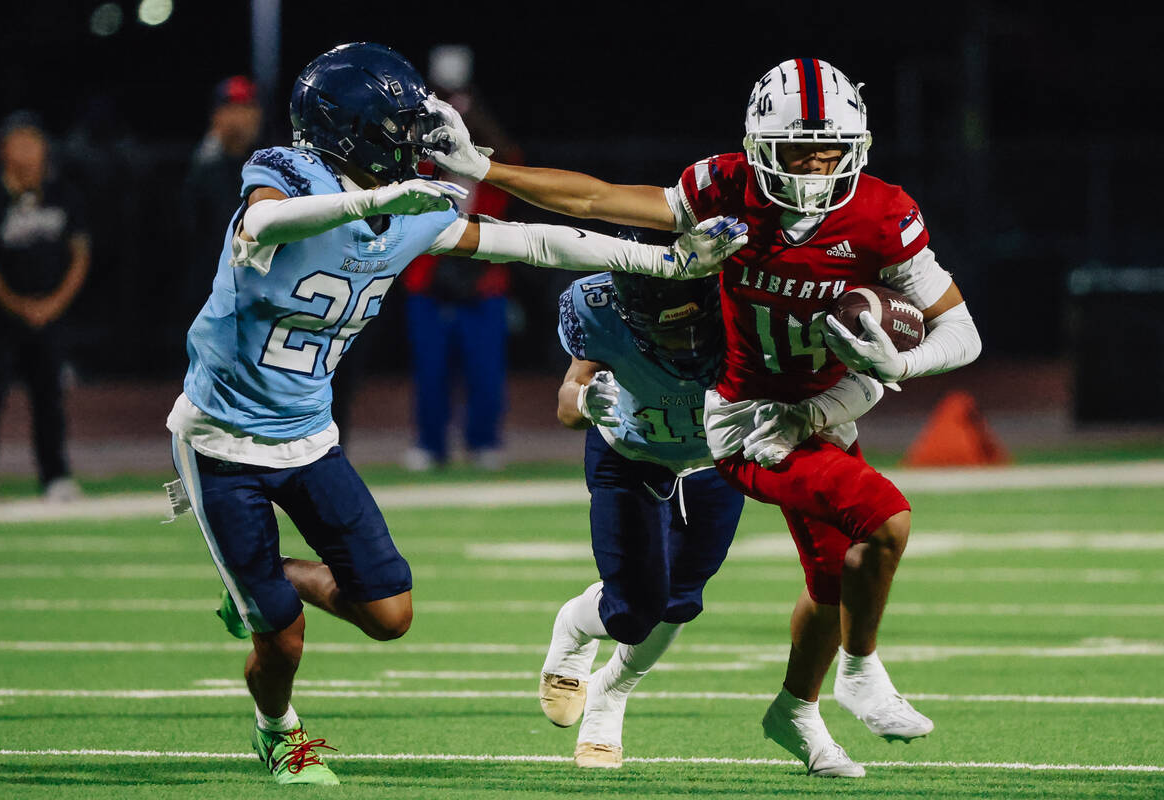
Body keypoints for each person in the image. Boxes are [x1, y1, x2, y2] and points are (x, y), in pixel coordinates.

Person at [164, 41, 747, 787]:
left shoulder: (410, 207)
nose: (413, 140)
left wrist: (668, 261)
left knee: (390, 614)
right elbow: (260, 229)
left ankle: (258, 578)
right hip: (220, 438)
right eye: (398, 125)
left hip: (308, 435)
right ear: (352, 128)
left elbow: (535, 240)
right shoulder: (292, 172)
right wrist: (374, 202)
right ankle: (278, 731)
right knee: (281, 637)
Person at [424, 56, 982, 777]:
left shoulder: (879, 215)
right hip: (725, 422)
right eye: (796, 154)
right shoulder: (677, 241)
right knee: (654, 599)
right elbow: (573, 223)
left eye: (829, 153)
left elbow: (949, 335)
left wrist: (895, 365)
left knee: (743, 593)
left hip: (807, 411)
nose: (813, 173)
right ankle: (845, 673)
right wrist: (471, 192)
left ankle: (777, 708)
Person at [542, 254, 884, 769]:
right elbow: (569, 395)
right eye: (666, 331)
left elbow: (843, 384)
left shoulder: (747, 305)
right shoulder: (599, 306)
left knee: (680, 600)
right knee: (633, 611)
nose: (681, 345)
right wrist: (586, 402)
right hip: (631, 452)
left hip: (714, 457)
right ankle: (573, 626)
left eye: (689, 328)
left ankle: (608, 698)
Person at [398, 44, 525, 471]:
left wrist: (474, 115)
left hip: (483, 276)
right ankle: (431, 445)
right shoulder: (421, 149)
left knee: (485, 371)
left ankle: (483, 441)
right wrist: (431, 118)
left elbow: (512, 161)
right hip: (428, 275)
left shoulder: (489, 154)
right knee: (431, 372)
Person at [0, 111, 90, 505]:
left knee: (50, 397)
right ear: (3, 150)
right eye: (18, 142)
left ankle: (56, 475)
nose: (26, 151)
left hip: (50, 316)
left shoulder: (64, 195)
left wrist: (52, 305)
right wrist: (18, 304)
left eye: (32, 142)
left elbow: (80, 255)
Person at [178, 76, 264, 325]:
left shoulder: (269, 164)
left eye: (248, 108)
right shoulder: (201, 167)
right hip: (210, 291)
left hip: (258, 291)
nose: (242, 118)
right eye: (233, 109)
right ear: (217, 116)